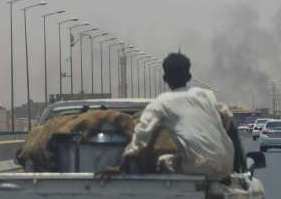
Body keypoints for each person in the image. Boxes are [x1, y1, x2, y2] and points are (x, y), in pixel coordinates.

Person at [100, 52, 234, 179]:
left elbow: (141, 135)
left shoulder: (161, 102)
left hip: (200, 166)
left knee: (162, 162)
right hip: (228, 164)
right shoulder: (206, 94)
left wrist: (120, 166)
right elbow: (226, 116)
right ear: (189, 77)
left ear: (165, 78)